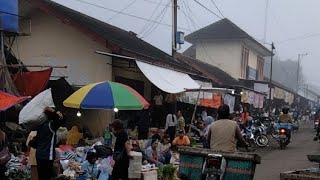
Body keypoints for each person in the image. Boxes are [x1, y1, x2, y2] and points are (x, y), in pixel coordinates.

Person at [31, 107, 66, 180]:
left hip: (39, 154)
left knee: (41, 176)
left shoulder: (40, 125)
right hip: (47, 155)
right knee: (47, 176)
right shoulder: (51, 125)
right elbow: (62, 119)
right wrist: (53, 111)